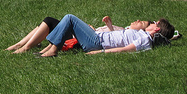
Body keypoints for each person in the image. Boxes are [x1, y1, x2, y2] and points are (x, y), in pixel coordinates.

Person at [38, 14, 176, 57]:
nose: (151, 23)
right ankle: (47, 50)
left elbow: (125, 49)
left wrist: (100, 52)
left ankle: (53, 50)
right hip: (98, 38)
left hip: (97, 42)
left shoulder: (145, 39)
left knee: (70, 18)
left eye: (154, 23)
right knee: (68, 21)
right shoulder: (141, 34)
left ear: (157, 29)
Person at [5, 15, 142, 54]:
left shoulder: (126, 33)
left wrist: (110, 27)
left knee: (53, 21)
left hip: (84, 39)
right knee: (48, 21)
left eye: (141, 23)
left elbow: (114, 42)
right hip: (87, 35)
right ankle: (20, 44)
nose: (137, 21)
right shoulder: (125, 30)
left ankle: (26, 47)